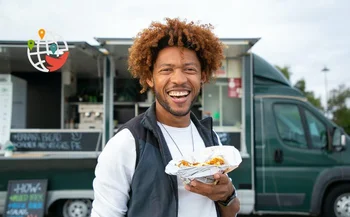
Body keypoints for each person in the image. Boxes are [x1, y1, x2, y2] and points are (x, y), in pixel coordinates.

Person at [91, 17, 240, 217]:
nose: (179, 79)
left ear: (203, 76)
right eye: (166, 70)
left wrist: (227, 194)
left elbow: (232, 211)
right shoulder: (127, 143)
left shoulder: (210, 137)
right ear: (149, 78)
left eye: (189, 69)